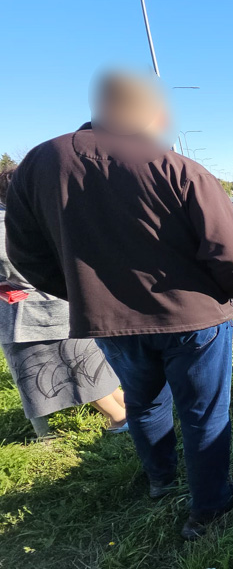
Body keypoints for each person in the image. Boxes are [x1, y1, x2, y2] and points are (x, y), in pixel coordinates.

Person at [5, 70, 233, 540]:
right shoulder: (179, 168)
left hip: (110, 322)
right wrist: (228, 296)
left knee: (142, 401)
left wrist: (83, 294)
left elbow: (26, 255)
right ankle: (209, 507)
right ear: (151, 115)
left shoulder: (38, 164)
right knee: (203, 412)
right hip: (194, 319)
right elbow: (230, 252)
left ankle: (161, 480)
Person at [0, 170, 127, 437]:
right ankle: (130, 409)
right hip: (69, 300)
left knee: (73, 372)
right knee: (88, 363)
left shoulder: (7, 222)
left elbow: (14, 267)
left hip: (35, 311)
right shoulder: (52, 213)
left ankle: (120, 419)